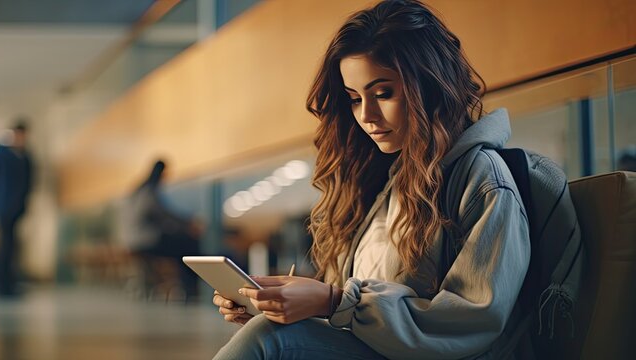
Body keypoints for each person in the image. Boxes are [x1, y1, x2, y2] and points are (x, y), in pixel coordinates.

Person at [212, 1, 539, 358]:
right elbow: (356, 312)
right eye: (354, 99)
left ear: (429, 86)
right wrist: (279, 306)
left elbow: (473, 322)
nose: (366, 116)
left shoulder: (485, 181)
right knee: (268, 331)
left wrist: (333, 300)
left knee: (269, 340)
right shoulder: (392, 180)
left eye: (383, 93)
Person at [119, 160, 199, 300]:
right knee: (188, 246)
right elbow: (162, 214)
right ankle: (189, 290)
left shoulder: (137, 191)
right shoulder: (149, 191)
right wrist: (187, 223)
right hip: (146, 241)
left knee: (182, 245)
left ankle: (188, 289)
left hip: (131, 241)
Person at [0, 121, 33, 296]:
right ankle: (2, 283)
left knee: (13, 245)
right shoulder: (1, 155)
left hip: (17, 208)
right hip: (2, 207)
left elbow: (29, 184)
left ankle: (10, 281)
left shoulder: (26, 157)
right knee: (4, 245)